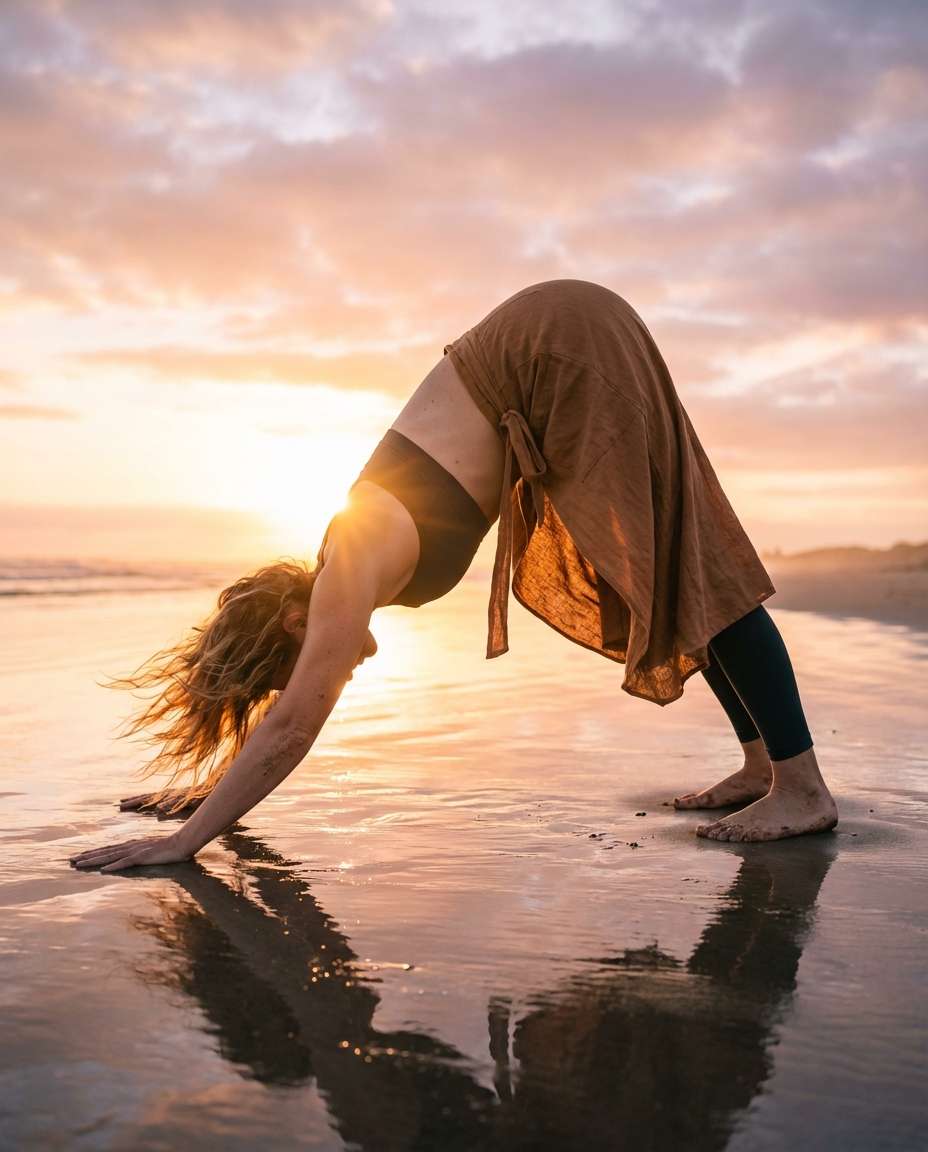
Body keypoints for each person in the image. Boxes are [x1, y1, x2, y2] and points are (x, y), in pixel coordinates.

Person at [70, 280, 837, 874]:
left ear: (291, 624)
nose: (321, 670)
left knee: (690, 564)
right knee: (673, 568)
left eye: (293, 665)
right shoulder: (351, 553)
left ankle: (800, 787)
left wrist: (189, 842)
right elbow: (281, 723)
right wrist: (203, 800)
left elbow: (295, 725)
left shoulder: (351, 554)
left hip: (560, 346)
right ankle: (763, 763)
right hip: (558, 338)